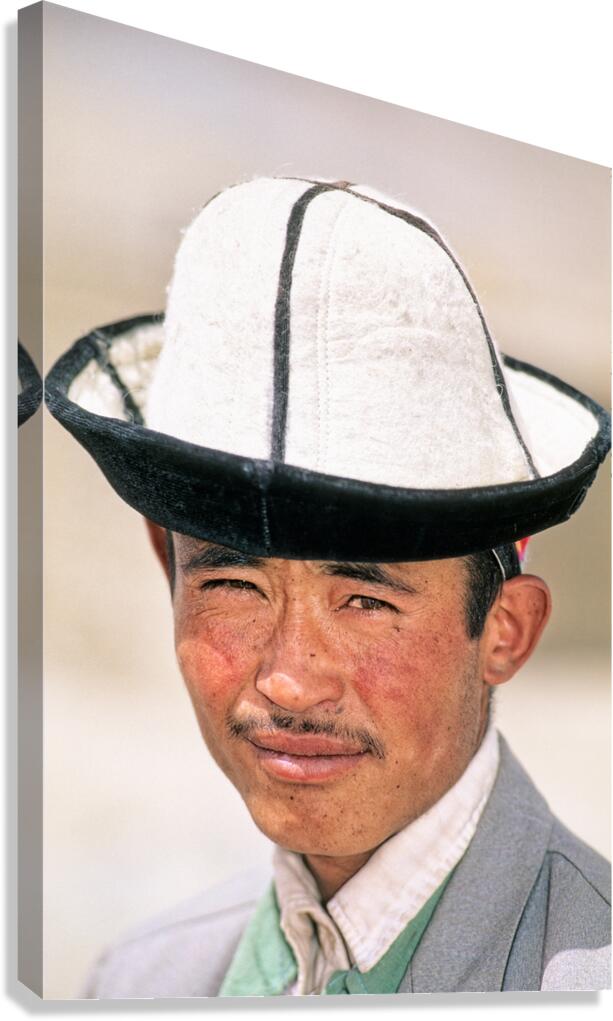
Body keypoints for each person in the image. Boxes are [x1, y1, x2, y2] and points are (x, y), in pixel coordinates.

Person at [45, 176, 611, 997]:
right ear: (166, 565)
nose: (289, 680)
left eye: (365, 602)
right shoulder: (137, 980)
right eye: (234, 585)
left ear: (503, 630)